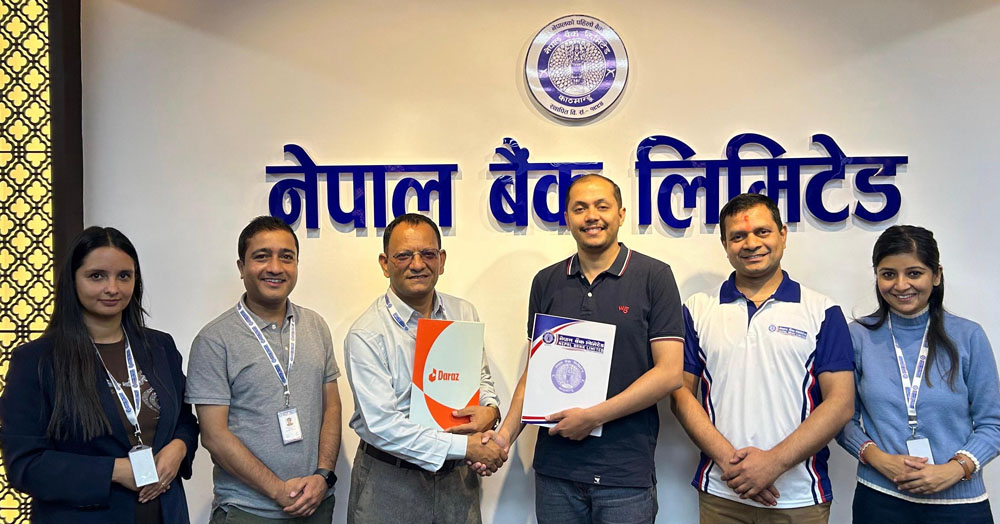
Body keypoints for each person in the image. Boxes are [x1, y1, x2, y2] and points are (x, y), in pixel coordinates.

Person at [486, 174, 685, 524]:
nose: (591, 216)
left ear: (620, 214)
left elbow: (669, 373)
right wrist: (504, 438)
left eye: (601, 206)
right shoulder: (547, 281)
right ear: (567, 218)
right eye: (580, 208)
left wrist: (593, 417)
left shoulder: (654, 276)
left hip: (624, 475)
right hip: (556, 473)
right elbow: (535, 373)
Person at [671, 193, 854, 524]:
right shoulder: (697, 309)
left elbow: (840, 403)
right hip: (722, 491)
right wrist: (731, 463)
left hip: (799, 498)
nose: (751, 243)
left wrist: (774, 463)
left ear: (783, 235)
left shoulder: (821, 311)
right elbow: (680, 394)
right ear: (725, 245)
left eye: (762, 232)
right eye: (738, 236)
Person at [0, 226, 199, 523]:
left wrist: (179, 447)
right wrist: (115, 471)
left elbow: (185, 421)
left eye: (124, 276)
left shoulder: (159, 347)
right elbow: (25, 465)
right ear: (73, 280)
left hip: (166, 513)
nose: (113, 288)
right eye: (97, 276)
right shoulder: (36, 360)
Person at [343, 213, 505, 524]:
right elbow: (381, 426)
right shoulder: (367, 333)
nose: (417, 264)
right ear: (385, 263)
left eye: (427, 254)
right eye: (404, 255)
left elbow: (481, 378)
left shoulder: (463, 312)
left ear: (441, 260)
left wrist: (491, 410)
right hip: (390, 483)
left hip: (457, 481)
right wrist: (466, 447)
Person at [836, 225, 1000, 523]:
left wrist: (955, 468)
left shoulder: (969, 336)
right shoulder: (857, 336)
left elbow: (994, 423)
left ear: (936, 275)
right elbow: (841, 417)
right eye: (888, 274)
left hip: (959, 502)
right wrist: (880, 460)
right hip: (880, 499)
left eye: (914, 273)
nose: (901, 285)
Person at [186, 216, 342, 522]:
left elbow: (332, 407)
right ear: (241, 267)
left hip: (316, 503)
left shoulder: (316, 326)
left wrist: (323, 476)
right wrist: (278, 490)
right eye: (261, 256)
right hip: (248, 511)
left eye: (286, 257)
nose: (275, 267)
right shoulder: (214, 340)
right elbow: (214, 436)